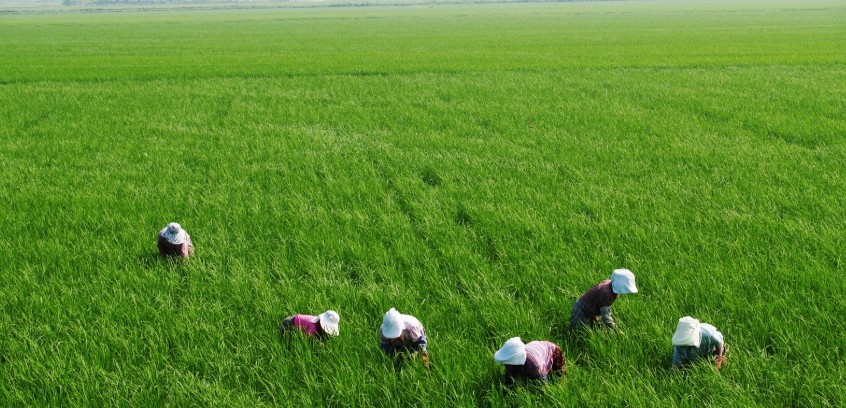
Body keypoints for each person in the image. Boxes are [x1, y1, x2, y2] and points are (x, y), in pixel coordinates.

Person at [570, 268, 638, 333]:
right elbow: (606, 317)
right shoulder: (606, 294)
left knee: (595, 329)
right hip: (581, 310)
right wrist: (617, 330)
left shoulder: (609, 283)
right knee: (579, 332)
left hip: (591, 310)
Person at [494, 337, 565, 386]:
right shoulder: (510, 363)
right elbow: (509, 380)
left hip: (551, 350)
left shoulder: (533, 365)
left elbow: (542, 383)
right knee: (515, 371)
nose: (506, 364)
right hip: (535, 348)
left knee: (558, 373)